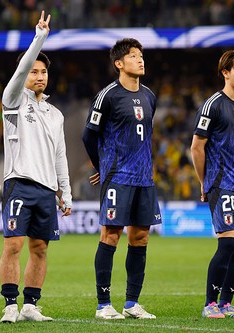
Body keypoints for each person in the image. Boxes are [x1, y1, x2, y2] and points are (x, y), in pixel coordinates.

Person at [0, 11, 73, 323]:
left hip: (45, 189)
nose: (39, 76)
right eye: (34, 71)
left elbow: (60, 156)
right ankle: (10, 305)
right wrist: (40, 37)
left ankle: (30, 306)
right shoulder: (14, 100)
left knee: (40, 248)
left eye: (43, 72)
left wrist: (64, 192)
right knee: (13, 245)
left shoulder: (55, 113)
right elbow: (20, 72)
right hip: (19, 182)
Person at [82, 38, 161, 320]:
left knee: (140, 237)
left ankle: (131, 303)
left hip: (144, 178)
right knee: (111, 235)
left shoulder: (150, 95)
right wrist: (101, 166)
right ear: (119, 63)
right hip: (118, 177)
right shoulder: (108, 96)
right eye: (134, 56)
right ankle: (104, 304)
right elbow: (88, 135)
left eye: (141, 55)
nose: (140, 60)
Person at [191, 49, 234, 319]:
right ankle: (210, 303)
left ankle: (227, 304)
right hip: (222, 183)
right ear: (226, 73)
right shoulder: (213, 105)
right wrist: (204, 182)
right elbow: (197, 147)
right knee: (227, 244)